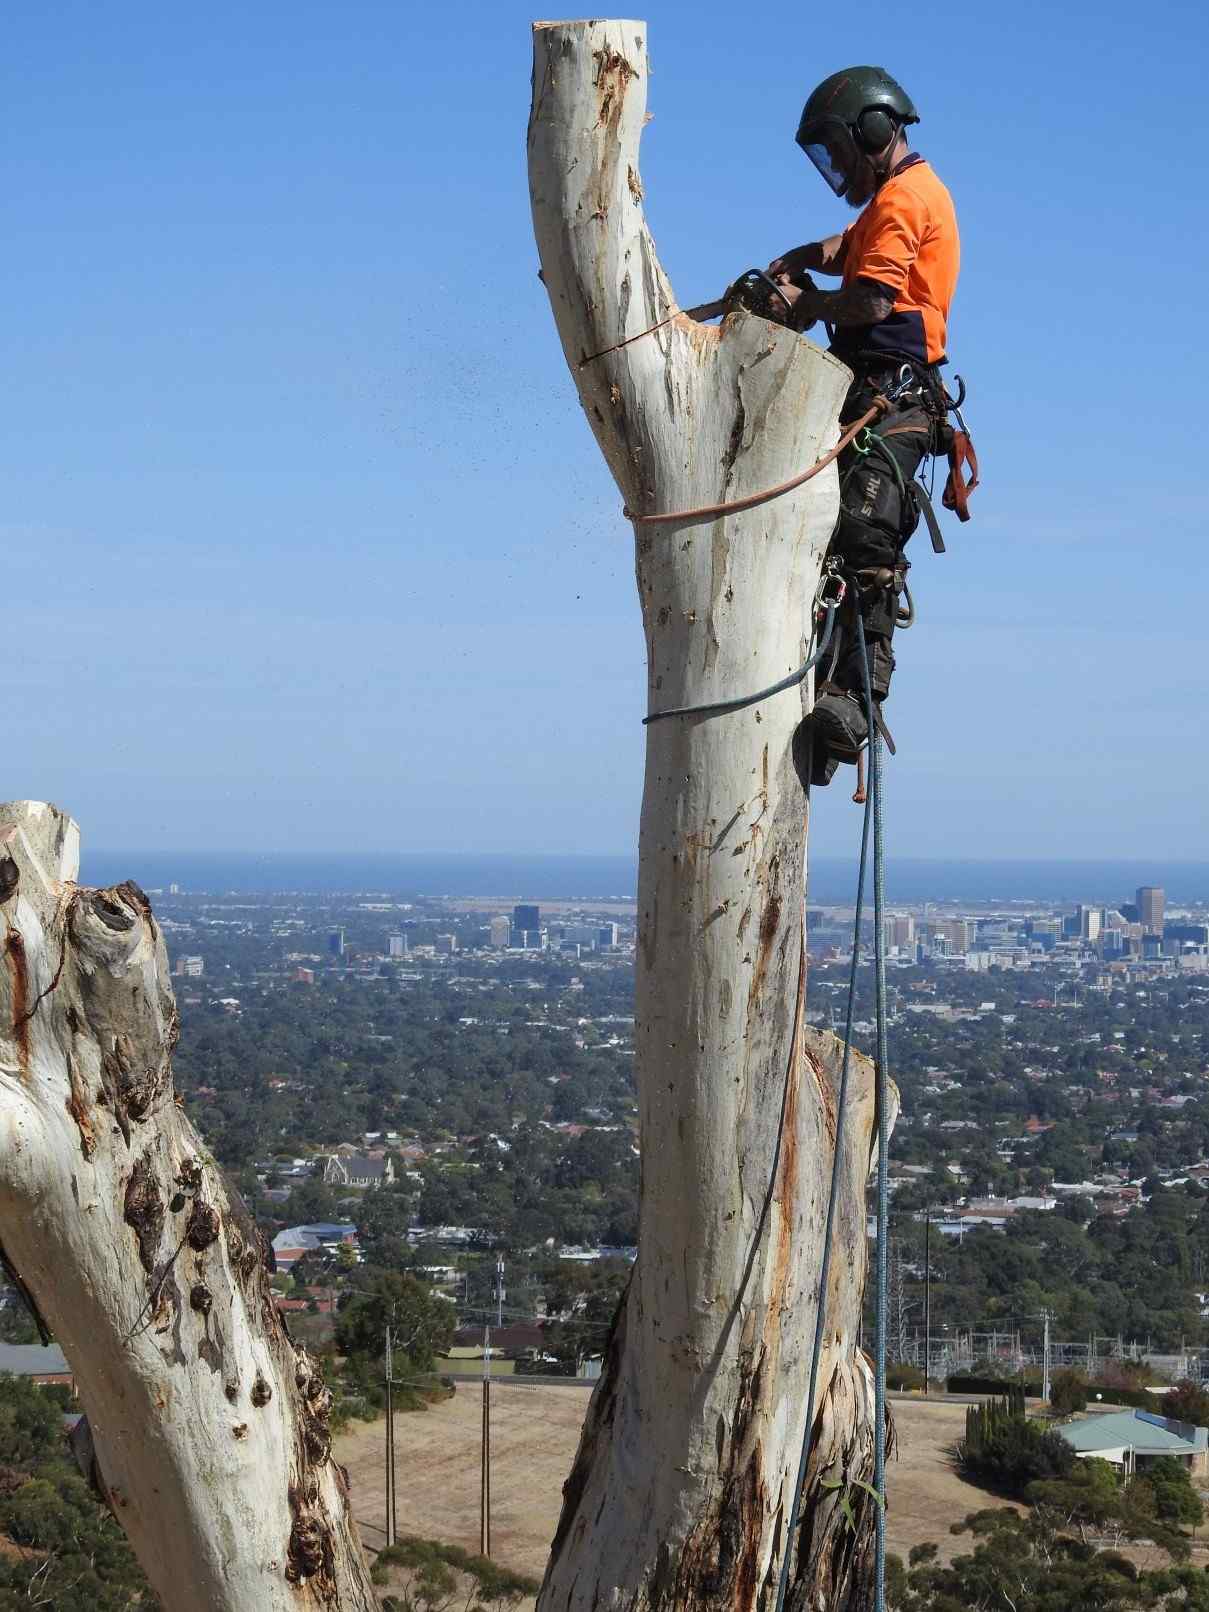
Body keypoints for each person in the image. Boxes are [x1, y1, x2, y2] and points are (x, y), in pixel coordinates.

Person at [766, 67, 960, 784]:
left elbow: (874, 300)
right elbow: (850, 247)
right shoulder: (891, 199)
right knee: (814, 534)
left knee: (864, 533)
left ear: (873, 130)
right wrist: (801, 259)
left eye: (840, 149)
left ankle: (853, 697)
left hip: (893, 395)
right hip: (862, 390)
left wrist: (810, 305)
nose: (837, 167)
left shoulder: (907, 197)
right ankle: (817, 682)